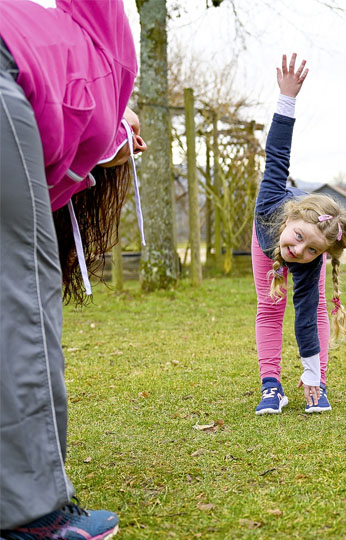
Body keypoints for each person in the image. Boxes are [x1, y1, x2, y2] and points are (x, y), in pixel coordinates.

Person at [0, 0, 144, 538]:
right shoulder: (104, 76)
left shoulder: (54, 37)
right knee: (21, 295)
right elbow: (41, 208)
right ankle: (33, 513)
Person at [252, 53, 346, 415]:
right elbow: (277, 152)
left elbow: (305, 317)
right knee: (270, 305)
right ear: (291, 219)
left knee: (313, 307)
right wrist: (287, 98)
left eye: (311, 250)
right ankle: (271, 385)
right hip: (263, 236)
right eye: (298, 238)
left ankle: (316, 383)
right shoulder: (272, 201)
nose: (299, 251)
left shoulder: (311, 252)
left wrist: (310, 372)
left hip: (301, 235)